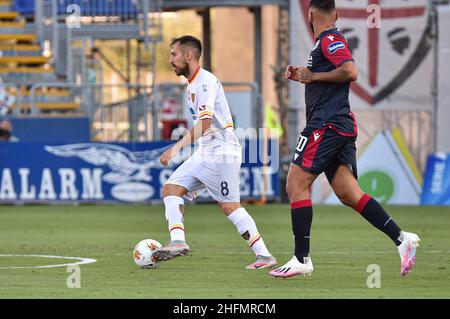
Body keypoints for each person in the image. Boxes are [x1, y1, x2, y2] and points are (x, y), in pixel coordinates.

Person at [270, 0, 420, 278]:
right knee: (348, 193)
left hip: (326, 125)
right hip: (338, 125)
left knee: (295, 184)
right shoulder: (326, 43)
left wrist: (313, 75)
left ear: (311, 15)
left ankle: (301, 259)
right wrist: (307, 76)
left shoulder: (330, 39)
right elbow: (330, 77)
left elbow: (350, 72)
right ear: (336, 14)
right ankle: (402, 239)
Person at [154, 35, 277, 269]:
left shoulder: (204, 82)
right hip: (206, 151)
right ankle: (178, 241)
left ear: (188, 56)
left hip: (221, 152)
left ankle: (264, 255)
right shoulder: (192, 84)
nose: (170, 60)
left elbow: (205, 124)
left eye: (173, 54)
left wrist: (176, 148)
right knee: (171, 189)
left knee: (230, 206)